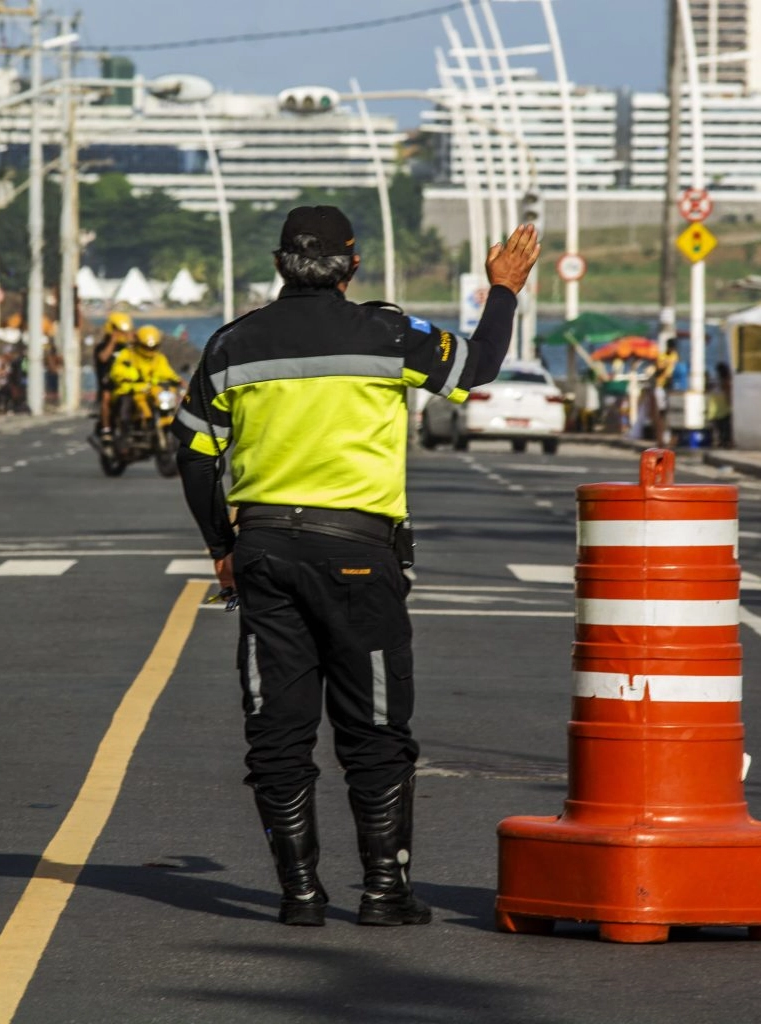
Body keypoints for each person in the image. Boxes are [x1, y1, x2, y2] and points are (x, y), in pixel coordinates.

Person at [172, 205, 539, 927]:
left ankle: (299, 894)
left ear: (279, 264)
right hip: (360, 558)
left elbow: (193, 457)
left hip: (266, 554)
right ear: (353, 267)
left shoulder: (231, 345)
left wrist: (222, 547)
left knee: (278, 732)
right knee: (373, 729)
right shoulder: (390, 334)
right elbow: (481, 365)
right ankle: (383, 890)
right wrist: (504, 288)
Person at [106, 324, 184, 434]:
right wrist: (131, 376)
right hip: (131, 391)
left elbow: (167, 372)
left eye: (153, 347)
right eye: (147, 347)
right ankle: (124, 437)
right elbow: (116, 371)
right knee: (125, 411)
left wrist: (178, 380)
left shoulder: (159, 358)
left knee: (171, 406)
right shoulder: (127, 354)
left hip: (152, 391)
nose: (150, 350)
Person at [95, 312, 135, 434]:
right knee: (106, 398)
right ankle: (106, 429)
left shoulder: (128, 348)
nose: (122, 334)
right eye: (119, 331)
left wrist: (132, 341)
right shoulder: (102, 347)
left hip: (128, 384)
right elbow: (103, 358)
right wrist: (113, 341)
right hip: (109, 384)